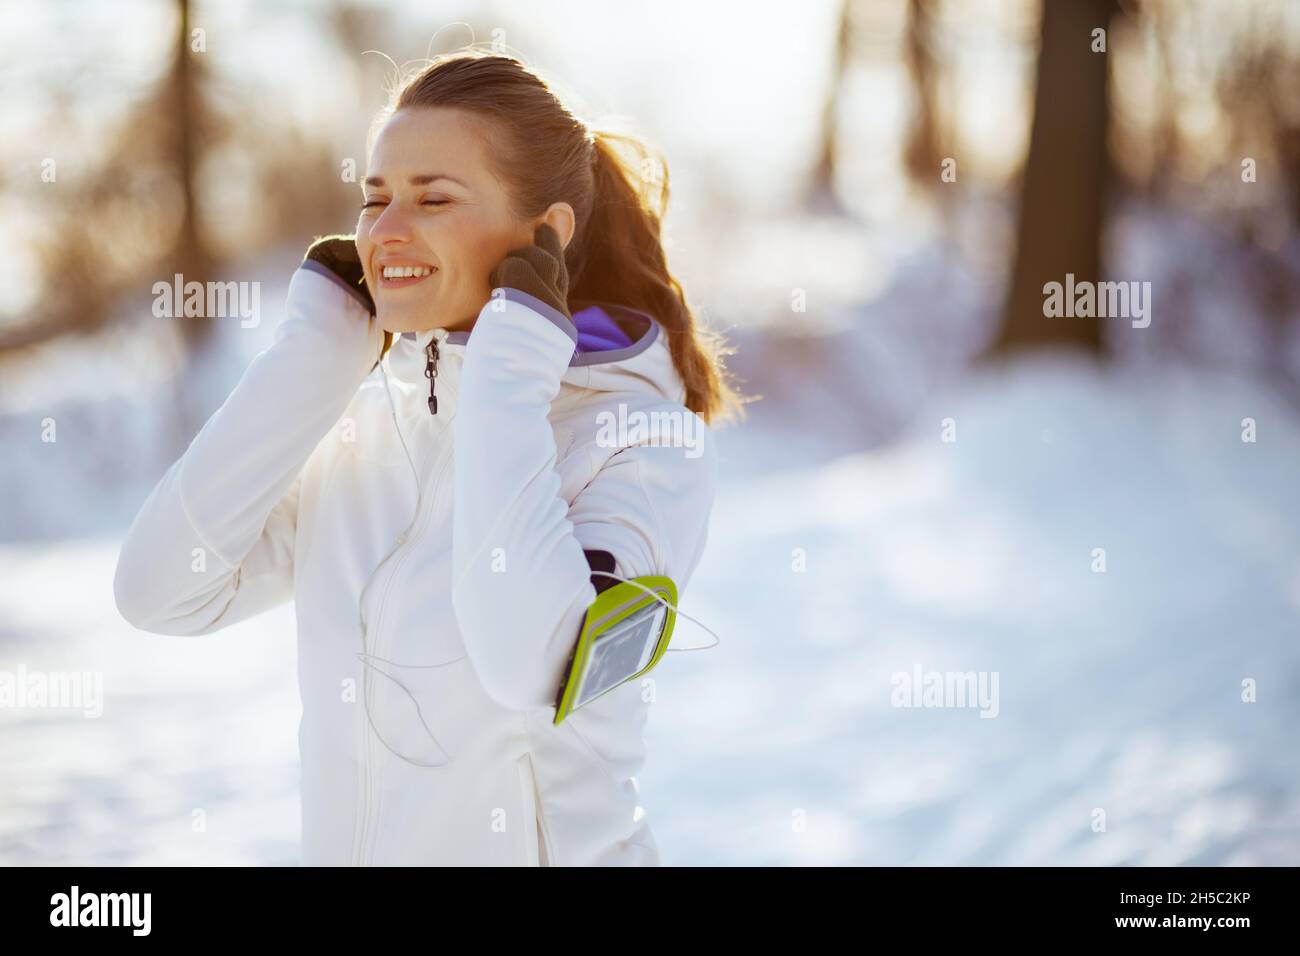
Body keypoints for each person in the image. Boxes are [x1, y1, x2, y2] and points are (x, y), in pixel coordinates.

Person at [113, 49, 744, 866]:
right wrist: (316, 358)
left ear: (545, 235)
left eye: (432, 198)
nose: (386, 230)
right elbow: (160, 592)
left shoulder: (647, 442)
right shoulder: (371, 431)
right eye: (375, 199)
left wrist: (507, 372)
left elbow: (532, 663)